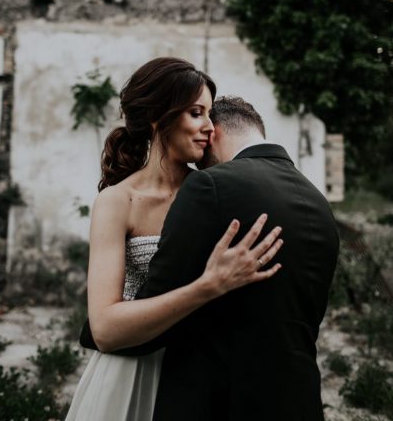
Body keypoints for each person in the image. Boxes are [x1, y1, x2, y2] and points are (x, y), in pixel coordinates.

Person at [81, 95, 340, 421]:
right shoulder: (318, 203)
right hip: (295, 398)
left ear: (211, 132)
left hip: (213, 396)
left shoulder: (212, 185)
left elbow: (161, 294)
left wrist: (103, 329)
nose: (198, 165)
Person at [66, 59, 283, 421]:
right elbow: (103, 329)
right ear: (158, 116)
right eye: (196, 113)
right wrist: (208, 286)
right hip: (132, 372)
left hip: (202, 373)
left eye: (210, 114)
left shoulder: (216, 195)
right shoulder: (118, 202)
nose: (210, 128)